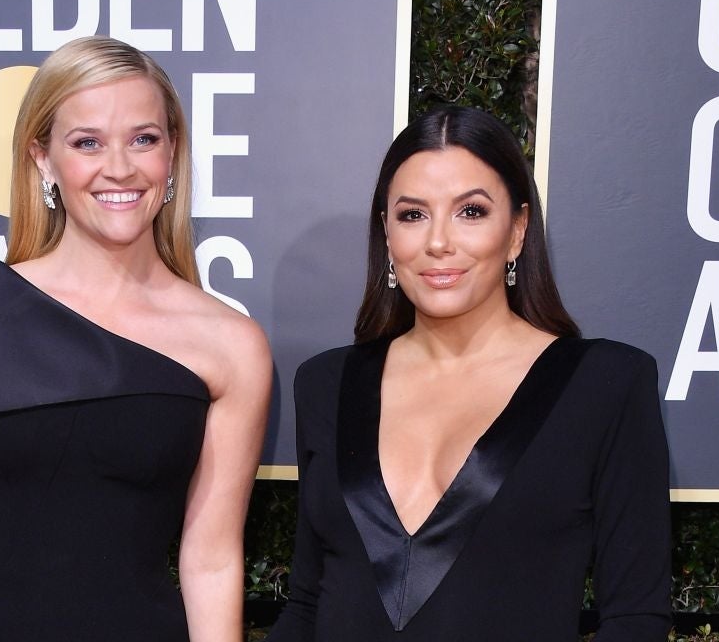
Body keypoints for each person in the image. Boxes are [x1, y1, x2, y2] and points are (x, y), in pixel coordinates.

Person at [0, 36, 273, 642]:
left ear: (172, 154)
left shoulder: (231, 345)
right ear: (43, 159)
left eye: (144, 139)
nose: (119, 167)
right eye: (87, 142)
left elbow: (212, 558)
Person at [267, 106, 671, 641]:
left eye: (471, 211)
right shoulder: (326, 384)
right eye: (413, 215)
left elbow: (635, 620)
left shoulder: (606, 385)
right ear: (386, 234)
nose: (439, 242)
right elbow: (307, 602)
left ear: (517, 231)